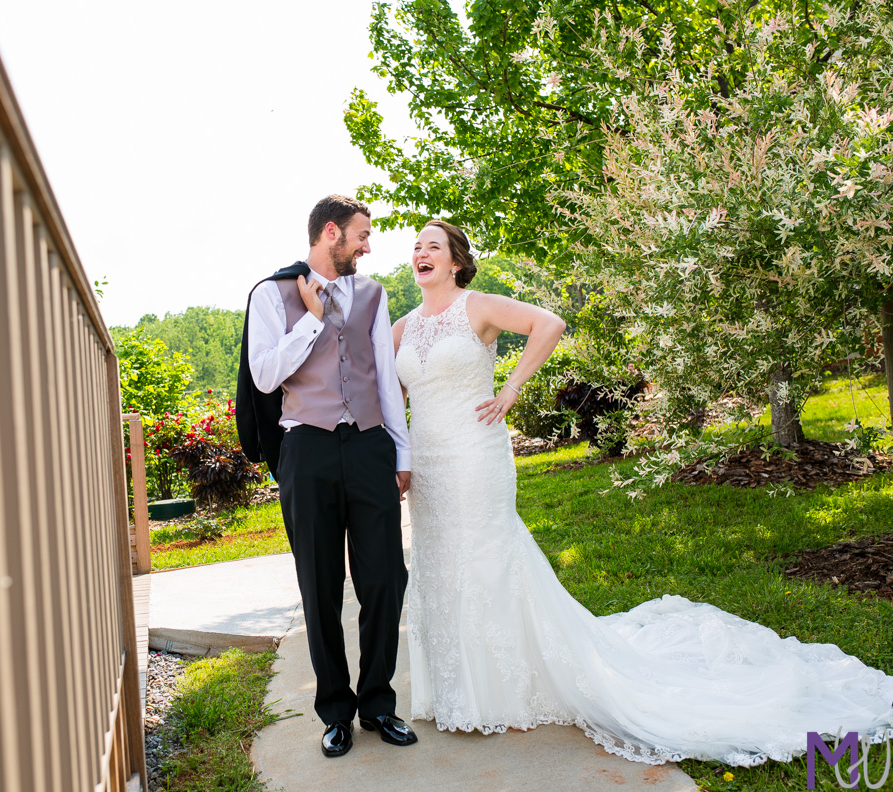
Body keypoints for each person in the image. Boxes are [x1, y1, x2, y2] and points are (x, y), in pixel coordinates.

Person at [393, 219, 893, 765]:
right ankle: (455, 688)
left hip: (475, 453)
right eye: (417, 247)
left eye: (433, 247)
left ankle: (502, 688)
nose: (422, 253)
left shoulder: (479, 306)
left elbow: (550, 322)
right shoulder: (402, 328)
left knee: (487, 557)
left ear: (456, 262)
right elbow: (394, 395)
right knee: (441, 563)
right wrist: (400, 458)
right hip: (429, 464)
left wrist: (511, 388)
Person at [236, 194, 417, 758]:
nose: (369, 245)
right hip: (307, 450)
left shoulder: (372, 295)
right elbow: (264, 377)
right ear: (332, 233)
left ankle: (378, 705)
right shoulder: (272, 294)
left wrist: (401, 451)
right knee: (319, 587)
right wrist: (311, 323)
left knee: (386, 577)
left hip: (368, 446)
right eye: (363, 235)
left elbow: (385, 376)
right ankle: (335, 712)